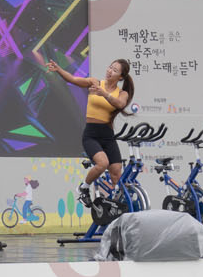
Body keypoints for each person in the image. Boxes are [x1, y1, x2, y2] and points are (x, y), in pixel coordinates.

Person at [39, 55, 135, 203]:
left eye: (115, 70)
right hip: (91, 135)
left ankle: (115, 206)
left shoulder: (122, 93)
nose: (110, 71)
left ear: (121, 77)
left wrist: (104, 94)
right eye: (110, 67)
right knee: (102, 164)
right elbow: (73, 79)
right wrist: (58, 69)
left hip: (108, 136)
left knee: (116, 173)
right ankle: (84, 188)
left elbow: (120, 104)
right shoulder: (94, 82)